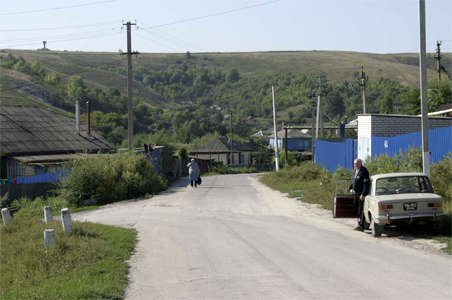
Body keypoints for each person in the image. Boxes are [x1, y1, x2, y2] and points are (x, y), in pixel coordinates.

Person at [349, 158, 370, 231]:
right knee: (356, 209)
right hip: (355, 193)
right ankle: (359, 223)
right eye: (355, 164)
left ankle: (361, 226)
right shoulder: (355, 170)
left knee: (361, 209)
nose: (355, 165)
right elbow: (355, 181)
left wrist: (363, 194)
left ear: (361, 163)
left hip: (361, 194)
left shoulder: (364, 171)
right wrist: (350, 187)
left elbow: (366, 184)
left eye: (357, 163)